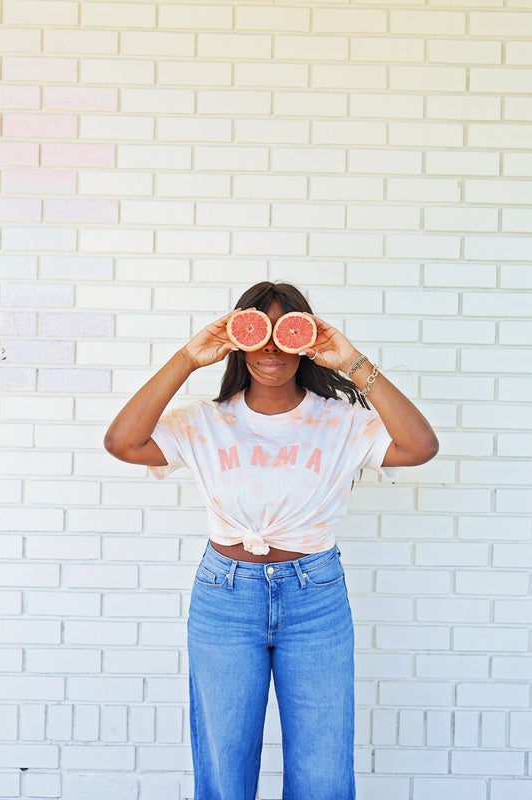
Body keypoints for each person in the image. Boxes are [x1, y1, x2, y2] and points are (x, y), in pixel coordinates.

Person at [104, 280, 438, 800]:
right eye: (257, 332)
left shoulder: (342, 422)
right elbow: (122, 442)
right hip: (225, 597)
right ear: (238, 342)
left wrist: (352, 361)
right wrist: (189, 358)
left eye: (286, 332)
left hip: (316, 598)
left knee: (324, 776)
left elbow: (420, 446)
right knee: (224, 771)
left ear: (304, 342)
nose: (271, 349)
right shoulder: (205, 421)